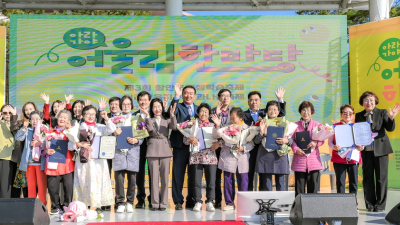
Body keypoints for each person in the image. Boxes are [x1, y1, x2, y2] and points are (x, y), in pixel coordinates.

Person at [355, 91, 399, 212]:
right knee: (367, 178)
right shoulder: (359, 115)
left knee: (381, 178)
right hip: (366, 151)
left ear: (375, 101)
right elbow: (357, 133)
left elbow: (390, 128)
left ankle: (380, 205)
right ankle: (369, 204)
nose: (368, 102)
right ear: (362, 103)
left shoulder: (382, 112)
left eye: (371, 100)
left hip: (381, 150)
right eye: (366, 100)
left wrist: (391, 118)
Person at [73, 105, 115, 213]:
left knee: (97, 183)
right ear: (83, 115)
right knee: (84, 182)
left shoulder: (100, 126)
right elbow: (70, 145)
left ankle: (95, 206)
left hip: (98, 162)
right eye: (88, 114)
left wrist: (106, 118)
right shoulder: (78, 127)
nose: (91, 116)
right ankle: (83, 207)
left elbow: (112, 129)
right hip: (84, 161)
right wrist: (79, 144)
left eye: (93, 114)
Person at [212, 107, 255, 211]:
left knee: (243, 181)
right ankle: (229, 203)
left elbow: (251, 144)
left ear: (240, 118)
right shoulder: (227, 127)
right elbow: (218, 137)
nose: (231, 120)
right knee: (228, 180)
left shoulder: (247, 128)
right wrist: (217, 126)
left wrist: (243, 148)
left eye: (233, 118)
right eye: (230, 118)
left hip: (242, 157)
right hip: (228, 156)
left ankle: (243, 204)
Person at [243, 88, 286, 191]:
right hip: (249, 150)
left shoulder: (266, 112)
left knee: (264, 177)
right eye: (252, 100)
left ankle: (263, 199)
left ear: (260, 102)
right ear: (248, 102)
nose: (254, 102)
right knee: (249, 174)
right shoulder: (243, 115)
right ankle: (249, 197)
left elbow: (280, 115)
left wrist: (280, 99)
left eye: (256, 100)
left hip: (265, 150)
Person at [185, 103, 221, 212]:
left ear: (209, 114)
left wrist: (218, 144)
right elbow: (185, 140)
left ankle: (210, 201)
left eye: (206, 111)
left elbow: (222, 139)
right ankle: (197, 201)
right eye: (201, 111)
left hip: (210, 157)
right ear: (198, 113)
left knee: (211, 181)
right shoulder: (192, 124)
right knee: (196, 181)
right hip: (196, 157)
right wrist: (190, 139)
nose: (203, 113)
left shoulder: (213, 125)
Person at [142, 98, 177, 211]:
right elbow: (150, 131)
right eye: (155, 107)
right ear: (151, 108)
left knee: (165, 179)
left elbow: (174, 126)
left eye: (159, 106)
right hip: (152, 149)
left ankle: (163, 203)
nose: (157, 109)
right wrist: (147, 116)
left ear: (162, 107)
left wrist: (172, 115)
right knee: (154, 179)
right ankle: (155, 203)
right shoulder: (149, 119)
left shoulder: (166, 119)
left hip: (165, 149)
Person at [169, 83, 197, 210]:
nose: (188, 95)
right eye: (186, 93)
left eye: (191, 93)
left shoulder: (199, 109)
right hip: (180, 146)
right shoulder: (177, 106)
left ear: (195, 96)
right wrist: (176, 96)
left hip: (195, 148)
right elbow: (169, 111)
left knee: (193, 175)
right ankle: (178, 201)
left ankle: (191, 199)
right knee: (178, 174)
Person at [113, 95, 143, 213]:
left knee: (132, 179)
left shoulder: (137, 118)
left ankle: (130, 202)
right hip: (119, 152)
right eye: (124, 104)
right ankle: (120, 202)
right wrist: (114, 133)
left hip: (132, 152)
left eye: (128, 104)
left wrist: (136, 140)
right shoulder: (114, 120)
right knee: (119, 179)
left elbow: (142, 136)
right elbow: (109, 136)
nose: (126, 106)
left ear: (132, 106)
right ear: (121, 106)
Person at [44, 110, 77, 214]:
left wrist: (68, 130)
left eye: (65, 117)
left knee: (68, 187)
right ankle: (55, 206)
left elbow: (75, 142)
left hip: (67, 163)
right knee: (52, 188)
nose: (62, 119)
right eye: (60, 117)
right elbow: (43, 148)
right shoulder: (49, 132)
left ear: (69, 120)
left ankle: (67, 206)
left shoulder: (71, 131)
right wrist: (46, 151)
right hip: (53, 165)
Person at [253, 101, 291, 191]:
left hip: (280, 156)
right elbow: (255, 141)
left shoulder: (285, 122)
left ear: (278, 112)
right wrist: (261, 133)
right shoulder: (261, 123)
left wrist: (286, 140)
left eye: (275, 109)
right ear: (267, 111)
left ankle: (281, 204)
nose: (272, 111)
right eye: (270, 109)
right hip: (265, 156)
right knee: (267, 184)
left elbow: (292, 139)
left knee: (281, 184)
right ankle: (267, 204)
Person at [328, 104, 363, 199]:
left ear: (353, 114)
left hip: (353, 157)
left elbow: (362, 142)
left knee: (354, 182)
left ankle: (353, 203)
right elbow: (330, 143)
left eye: (350, 113)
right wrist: (334, 147)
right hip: (339, 158)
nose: (347, 114)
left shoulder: (357, 127)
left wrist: (361, 147)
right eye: (345, 112)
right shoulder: (334, 127)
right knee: (340, 182)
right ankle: (341, 203)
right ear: (341, 114)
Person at [291, 101, 324, 197]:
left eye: (308, 110)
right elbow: (291, 141)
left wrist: (316, 143)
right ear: (300, 112)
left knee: (313, 189)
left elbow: (322, 140)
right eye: (303, 110)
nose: (306, 113)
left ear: (312, 112)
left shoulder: (317, 125)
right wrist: (296, 149)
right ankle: (299, 209)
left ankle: (312, 210)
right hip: (299, 161)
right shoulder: (294, 126)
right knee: (299, 190)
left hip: (314, 162)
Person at [14, 111, 47, 206]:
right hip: (29, 162)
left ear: (41, 120)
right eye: (32, 119)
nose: (35, 121)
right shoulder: (27, 130)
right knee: (31, 186)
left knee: (42, 185)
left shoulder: (45, 130)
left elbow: (48, 144)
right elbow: (18, 138)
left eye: (37, 119)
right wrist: (23, 128)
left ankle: (43, 205)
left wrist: (40, 144)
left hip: (40, 162)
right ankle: (31, 206)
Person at [97, 96, 122, 211]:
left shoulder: (125, 117)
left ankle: (119, 201)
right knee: (105, 175)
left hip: (120, 150)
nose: (114, 106)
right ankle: (104, 202)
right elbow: (97, 126)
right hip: (106, 150)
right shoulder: (103, 117)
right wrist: (100, 110)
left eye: (116, 104)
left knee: (119, 177)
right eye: (112, 104)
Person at [10, 102, 38, 198]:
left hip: (38, 160)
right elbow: (14, 129)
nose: (28, 111)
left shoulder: (40, 121)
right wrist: (14, 116)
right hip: (25, 159)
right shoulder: (22, 122)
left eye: (30, 109)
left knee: (38, 184)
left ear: (35, 108)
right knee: (26, 184)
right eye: (26, 109)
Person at [211, 89, 233, 208]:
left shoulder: (234, 112)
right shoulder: (212, 112)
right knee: (216, 175)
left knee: (229, 176)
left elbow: (234, 129)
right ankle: (217, 200)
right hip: (215, 148)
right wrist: (217, 113)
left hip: (229, 148)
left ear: (230, 98)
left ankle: (230, 201)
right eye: (223, 96)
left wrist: (221, 143)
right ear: (219, 98)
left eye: (227, 96)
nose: (225, 98)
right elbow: (211, 129)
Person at [132, 91, 152, 209]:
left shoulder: (154, 114)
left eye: (145, 99)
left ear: (149, 101)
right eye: (141, 100)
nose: (143, 102)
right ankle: (140, 199)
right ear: (138, 101)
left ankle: (152, 198)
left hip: (152, 147)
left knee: (152, 173)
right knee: (139, 174)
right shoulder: (134, 115)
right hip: (138, 147)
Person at [0, 105, 17, 198]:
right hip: (4, 156)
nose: (7, 115)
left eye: (10, 113)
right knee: (5, 185)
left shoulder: (18, 123)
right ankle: (3, 207)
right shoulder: (0, 123)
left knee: (15, 185)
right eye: (5, 113)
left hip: (17, 157)